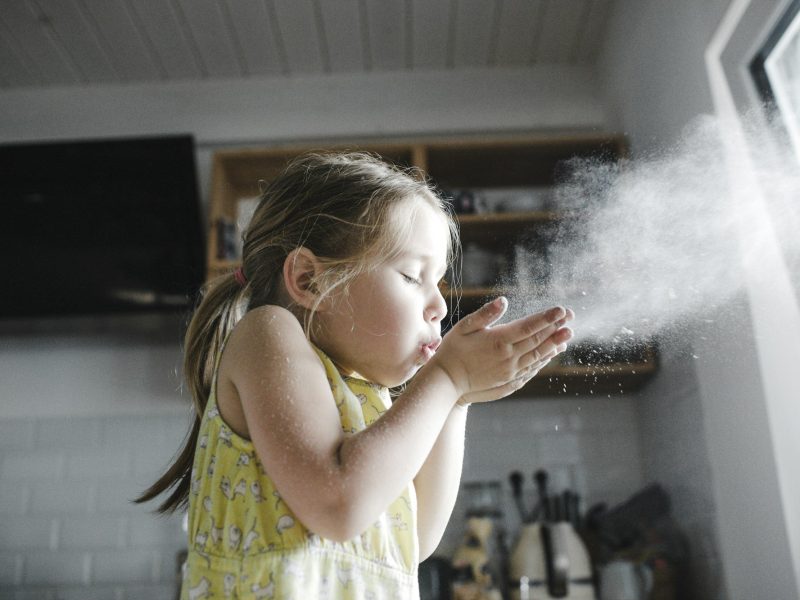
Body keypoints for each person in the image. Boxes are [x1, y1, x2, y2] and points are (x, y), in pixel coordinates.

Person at [137, 151, 574, 599]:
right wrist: (448, 378)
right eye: (411, 275)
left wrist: (458, 398)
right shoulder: (267, 334)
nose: (440, 306)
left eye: (439, 282)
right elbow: (340, 505)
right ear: (310, 281)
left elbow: (417, 540)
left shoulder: (368, 399)